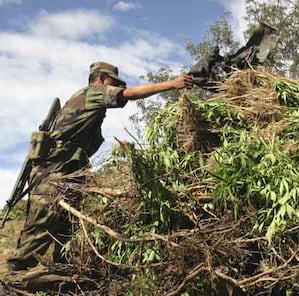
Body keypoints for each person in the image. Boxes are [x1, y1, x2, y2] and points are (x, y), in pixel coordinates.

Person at [7, 62, 192, 271]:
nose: (114, 88)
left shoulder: (91, 110)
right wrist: (172, 84)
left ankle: (65, 283)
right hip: (53, 174)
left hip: (69, 175)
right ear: (102, 79)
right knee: (41, 227)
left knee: (68, 231)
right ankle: (13, 280)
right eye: (113, 83)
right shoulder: (91, 93)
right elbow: (129, 94)